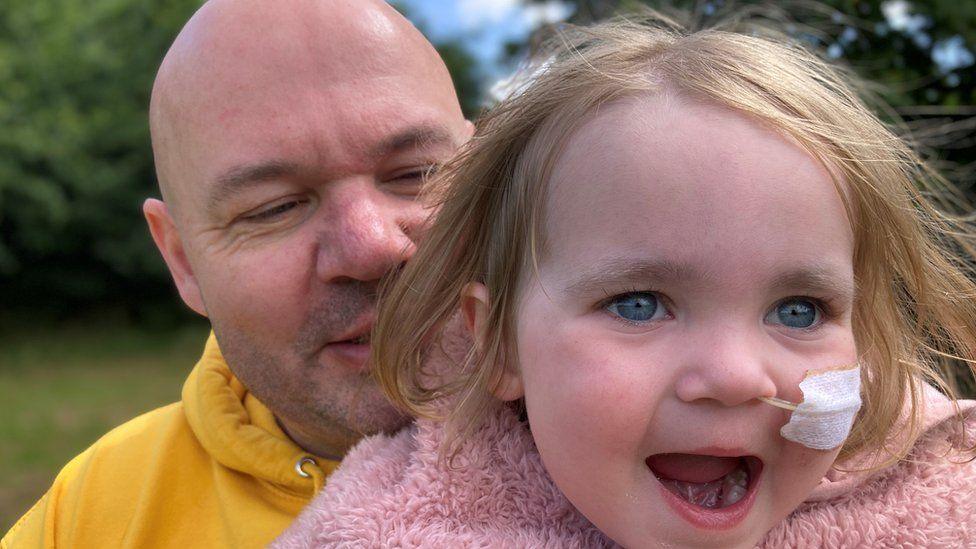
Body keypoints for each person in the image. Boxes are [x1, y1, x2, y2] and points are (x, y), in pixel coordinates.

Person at [273, 14, 976, 548]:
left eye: (798, 310)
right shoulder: (385, 527)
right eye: (640, 304)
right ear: (500, 343)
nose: (736, 376)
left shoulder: (947, 494)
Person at [2, 0, 470, 547]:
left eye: (418, 174)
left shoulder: (595, 464)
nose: (369, 248)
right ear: (182, 261)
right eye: (275, 208)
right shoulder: (86, 519)